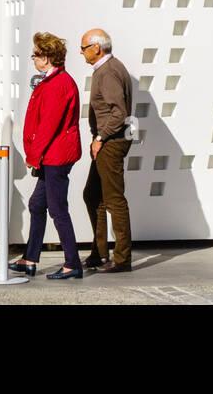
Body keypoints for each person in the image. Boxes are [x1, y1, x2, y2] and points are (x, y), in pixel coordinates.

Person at [10, 32, 82, 280]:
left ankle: (72, 262)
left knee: (58, 208)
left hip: (56, 155)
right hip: (50, 155)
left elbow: (49, 125)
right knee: (37, 204)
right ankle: (30, 258)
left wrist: (33, 155)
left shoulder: (59, 84)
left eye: (36, 54)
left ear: (48, 57)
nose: (33, 58)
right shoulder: (51, 81)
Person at [79, 28, 134, 273]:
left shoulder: (109, 72)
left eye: (83, 48)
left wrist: (100, 137)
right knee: (93, 195)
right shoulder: (108, 68)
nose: (81, 53)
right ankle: (100, 252)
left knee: (114, 200)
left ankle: (122, 258)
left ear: (96, 48)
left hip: (110, 142)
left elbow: (118, 112)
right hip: (105, 142)